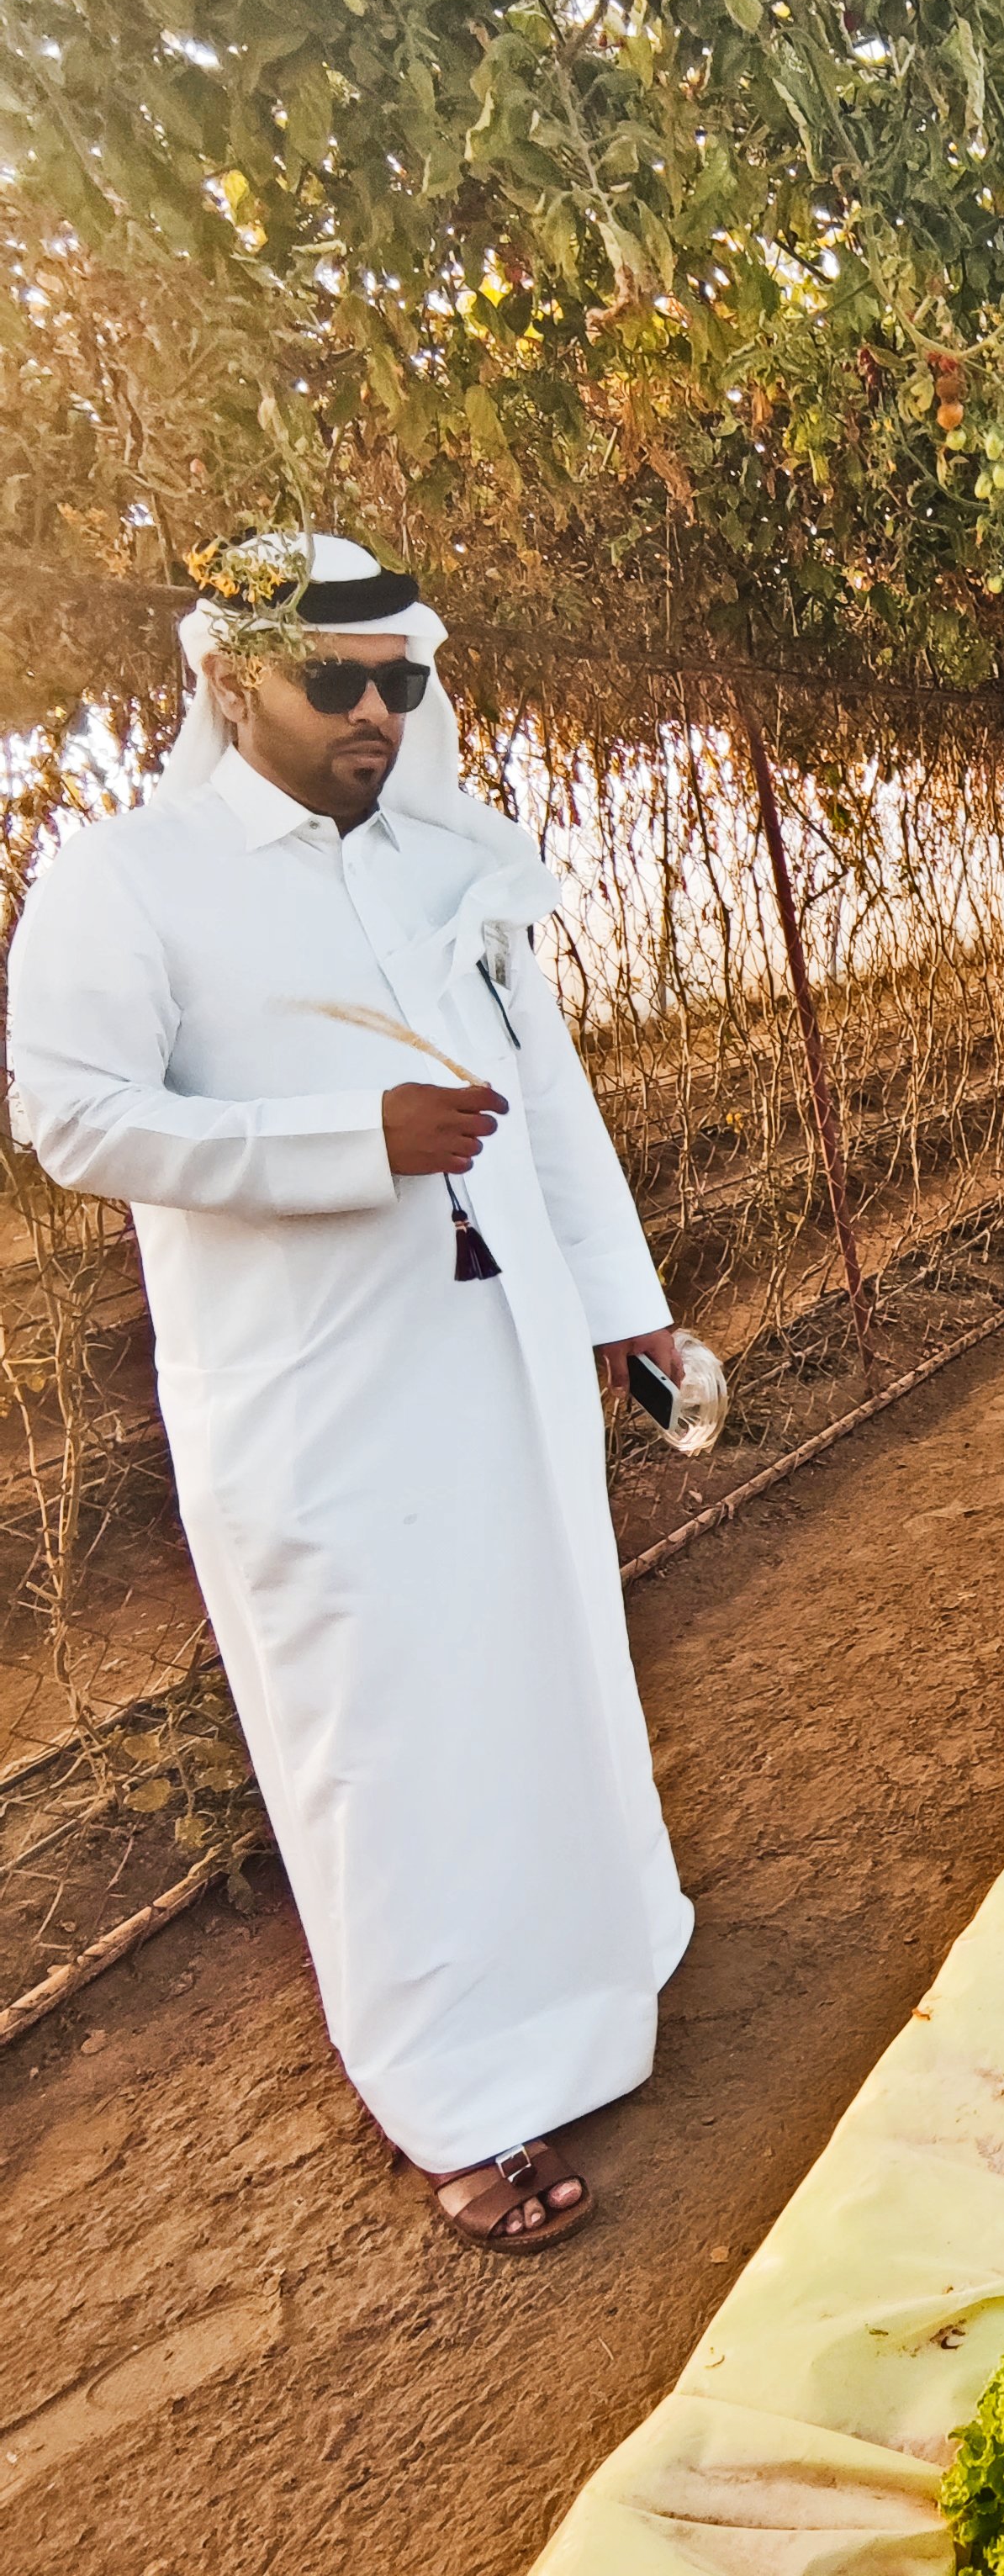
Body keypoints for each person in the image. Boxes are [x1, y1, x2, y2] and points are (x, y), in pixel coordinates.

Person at [5, 532, 693, 2256]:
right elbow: (73, 1115)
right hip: (317, 1401)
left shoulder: (443, 864)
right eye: (339, 681)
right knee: (379, 1740)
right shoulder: (133, 877)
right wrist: (345, 1145)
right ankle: (458, 2099)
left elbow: (553, 1100)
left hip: (503, 1351)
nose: (378, 712)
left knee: (542, 1670)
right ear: (235, 678)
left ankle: (599, 1982)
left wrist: (629, 1317)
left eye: (403, 678)